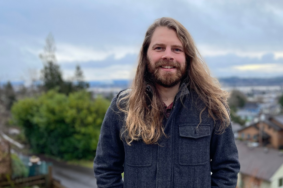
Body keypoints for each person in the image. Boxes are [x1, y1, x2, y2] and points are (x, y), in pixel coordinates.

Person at [94, 17, 240, 188]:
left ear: (187, 57)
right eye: (159, 48)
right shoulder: (122, 108)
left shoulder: (213, 107)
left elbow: (227, 168)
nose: (168, 55)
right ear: (145, 54)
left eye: (177, 49)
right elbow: (106, 169)